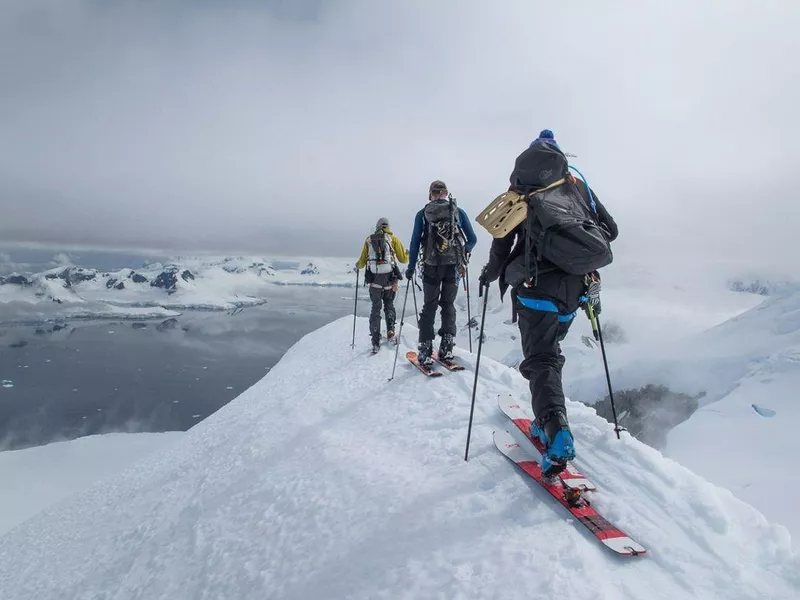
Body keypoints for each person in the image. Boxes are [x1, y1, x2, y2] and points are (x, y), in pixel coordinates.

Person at [479, 130, 618, 476]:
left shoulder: (522, 193)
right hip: (577, 288)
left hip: (535, 288)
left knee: (541, 359)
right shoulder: (577, 186)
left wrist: (490, 274)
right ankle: (546, 420)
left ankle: (555, 430)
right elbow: (610, 231)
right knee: (550, 355)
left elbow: (501, 242)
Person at [406, 180, 477, 365]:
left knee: (429, 306)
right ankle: (446, 348)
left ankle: (425, 349)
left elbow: (414, 243)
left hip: (431, 266)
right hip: (453, 266)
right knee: (448, 305)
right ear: (446, 193)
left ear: (431, 194)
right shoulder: (457, 212)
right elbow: (473, 239)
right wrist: (463, 253)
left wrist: (411, 266)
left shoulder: (422, 214)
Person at [356, 217, 409, 352]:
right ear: (388, 227)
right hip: (389, 281)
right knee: (389, 305)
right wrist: (407, 254)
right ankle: (390, 332)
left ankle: (375, 339)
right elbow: (403, 259)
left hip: (375, 282)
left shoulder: (369, 240)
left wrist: (357, 265)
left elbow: (362, 262)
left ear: (377, 226)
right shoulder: (393, 239)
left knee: (376, 308)